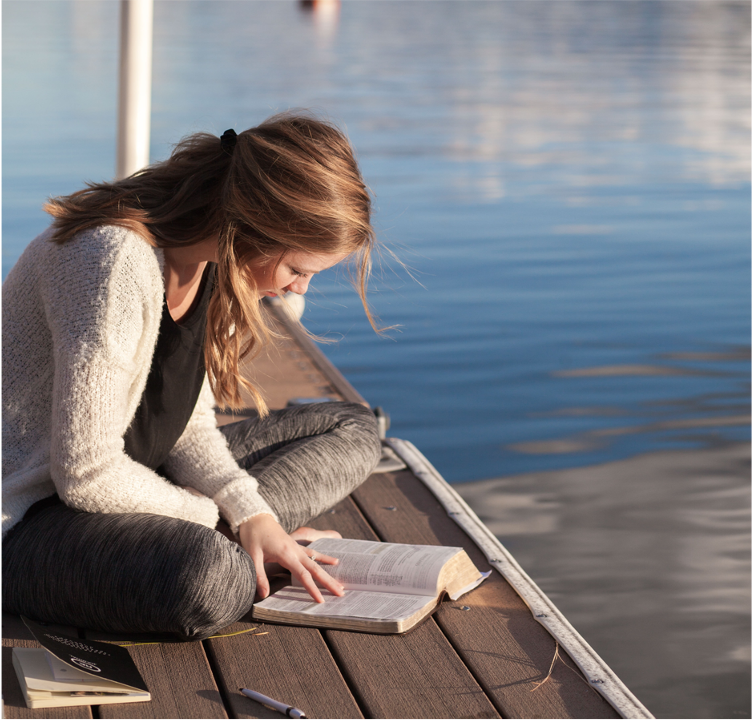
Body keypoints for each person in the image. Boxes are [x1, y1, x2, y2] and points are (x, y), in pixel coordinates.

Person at [0, 113, 382, 641]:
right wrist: (214, 517)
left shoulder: (216, 265)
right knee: (207, 579)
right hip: (28, 518)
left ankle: (253, 543)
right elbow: (85, 473)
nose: (300, 291)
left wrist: (252, 515)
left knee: (352, 428)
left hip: (136, 485)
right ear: (252, 226)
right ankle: (234, 552)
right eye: (298, 270)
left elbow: (187, 424)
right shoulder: (111, 262)